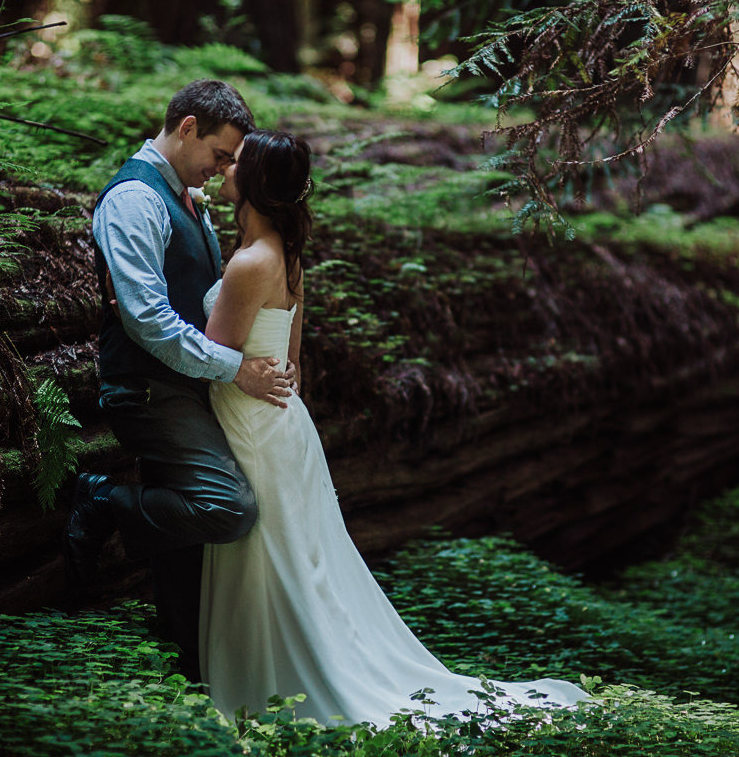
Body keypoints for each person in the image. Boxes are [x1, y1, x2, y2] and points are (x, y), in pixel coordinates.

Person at [197, 129, 590, 727]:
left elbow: (210, 357)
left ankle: (273, 684)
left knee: (270, 560)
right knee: (294, 563)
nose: (225, 166)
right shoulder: (281, 253)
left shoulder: (253, 263)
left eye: (236, 163)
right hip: (283, 424)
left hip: (255, 427)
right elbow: (292, 361)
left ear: (252, 183)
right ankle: (284, 673)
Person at [63, 79, 292, 680]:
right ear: (187, 126)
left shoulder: (188, 197)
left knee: (188, 539)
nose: (224, 170)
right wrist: (236, 369)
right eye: (220, 154)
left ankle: (186, 660)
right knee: (228, 507)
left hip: (188, 383)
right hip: (146, 386)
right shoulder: (135, 200)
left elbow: (206, 301)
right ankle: (103, 498)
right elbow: (148, 321)